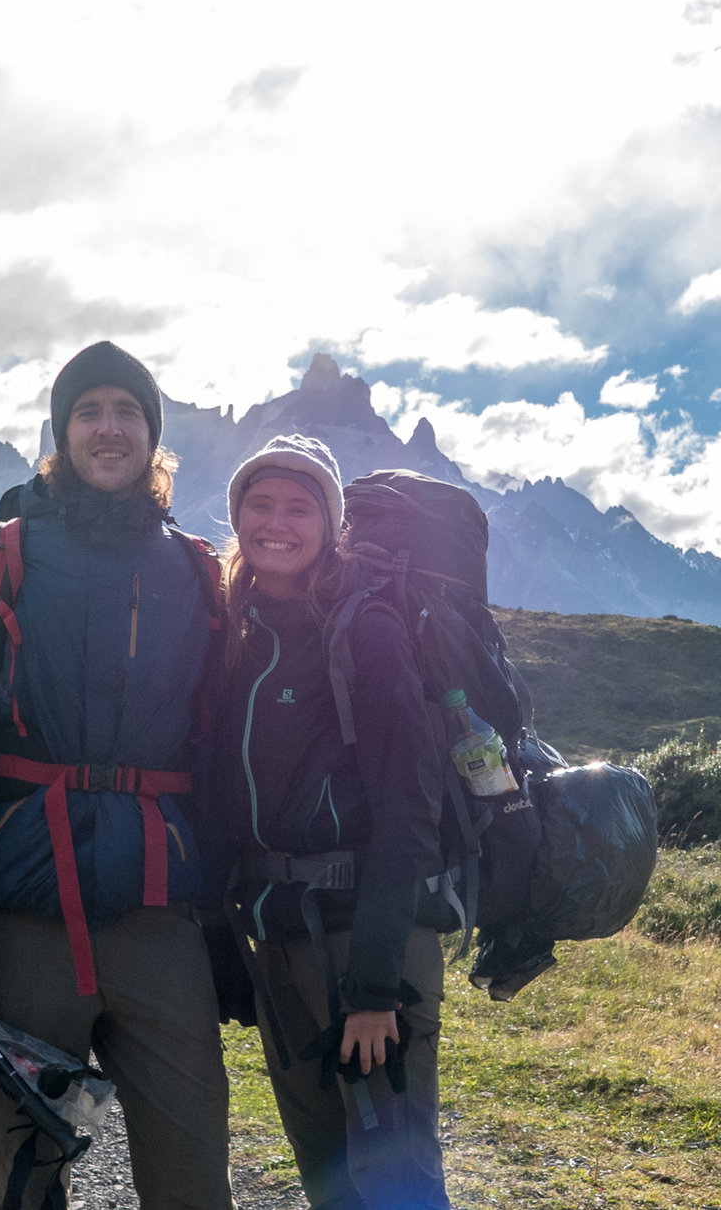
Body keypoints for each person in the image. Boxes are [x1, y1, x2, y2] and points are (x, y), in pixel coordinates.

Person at [0, 341, 233, 1209]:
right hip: (26, 922)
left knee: (194, 1173)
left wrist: (231, 928)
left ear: (153, 436)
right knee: (23, 1176)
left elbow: (217, 762)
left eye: (127, 411)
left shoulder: (198, 572)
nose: (108, 427)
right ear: (61, 434)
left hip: (161, 918)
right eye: (89, 411)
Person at [201, 435, 455, 1210]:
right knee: (326, 1173)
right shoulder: (233, 632)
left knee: (394, 1181)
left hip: (365, 946)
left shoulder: (366, 633)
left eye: (300, 507)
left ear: (331, 523)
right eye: (260, 504)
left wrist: (377, 986)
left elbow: (410, 810)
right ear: (237, 516)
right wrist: (224, 947)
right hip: (279, 943)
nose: (277, 522)